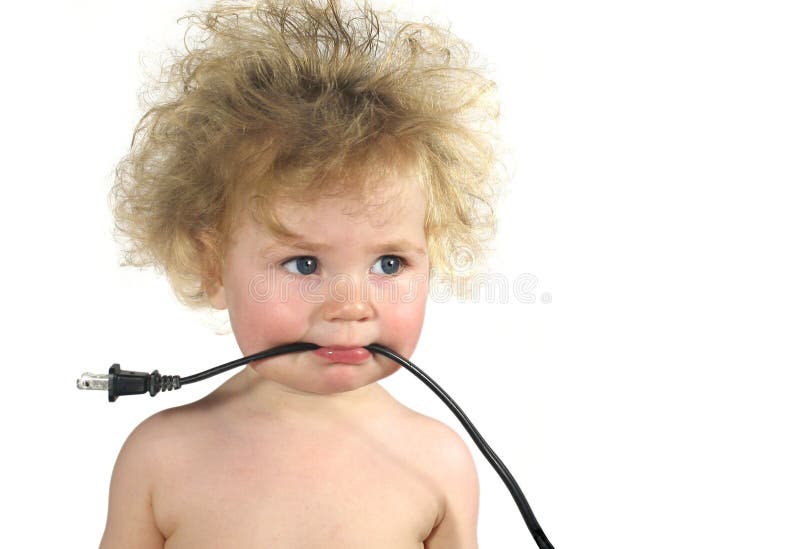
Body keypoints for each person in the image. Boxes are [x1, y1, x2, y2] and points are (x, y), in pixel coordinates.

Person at [100, 0, 505, 546]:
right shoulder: (160, 459)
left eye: (390, 263)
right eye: (304, 264)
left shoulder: (439, 464)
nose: (350, 304)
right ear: (212, 266)